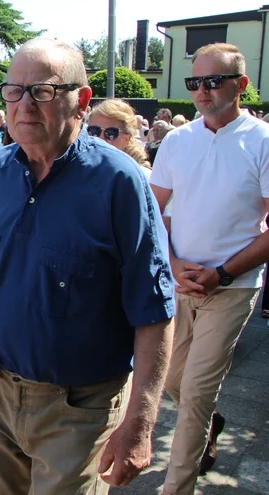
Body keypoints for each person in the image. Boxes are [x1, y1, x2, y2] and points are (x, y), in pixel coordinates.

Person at [0, 38, 175, 494]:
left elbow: (154, 309)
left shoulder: (118, 183)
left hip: (79, 407)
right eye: (14, 91)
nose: (24, 105)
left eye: (43, 91)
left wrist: (141, 421)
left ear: (81, 101)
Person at [149, 43, 269, 495]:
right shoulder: (178, 140)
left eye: (213, 80)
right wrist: (175, 263)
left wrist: (221, 272)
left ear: (241, 85)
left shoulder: (262, 140)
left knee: (195, 392)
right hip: (180, 282)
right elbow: (152, 211)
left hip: (232, 287)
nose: (202, 91)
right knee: (175, 382)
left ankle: (176, 488)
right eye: (194, 82)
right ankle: (208, 421)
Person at [86, 99, 152, 177]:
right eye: (94, 131)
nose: (101, 138)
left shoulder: (141, 176)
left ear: (127, 139)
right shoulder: (77, 171)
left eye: (111, 133)